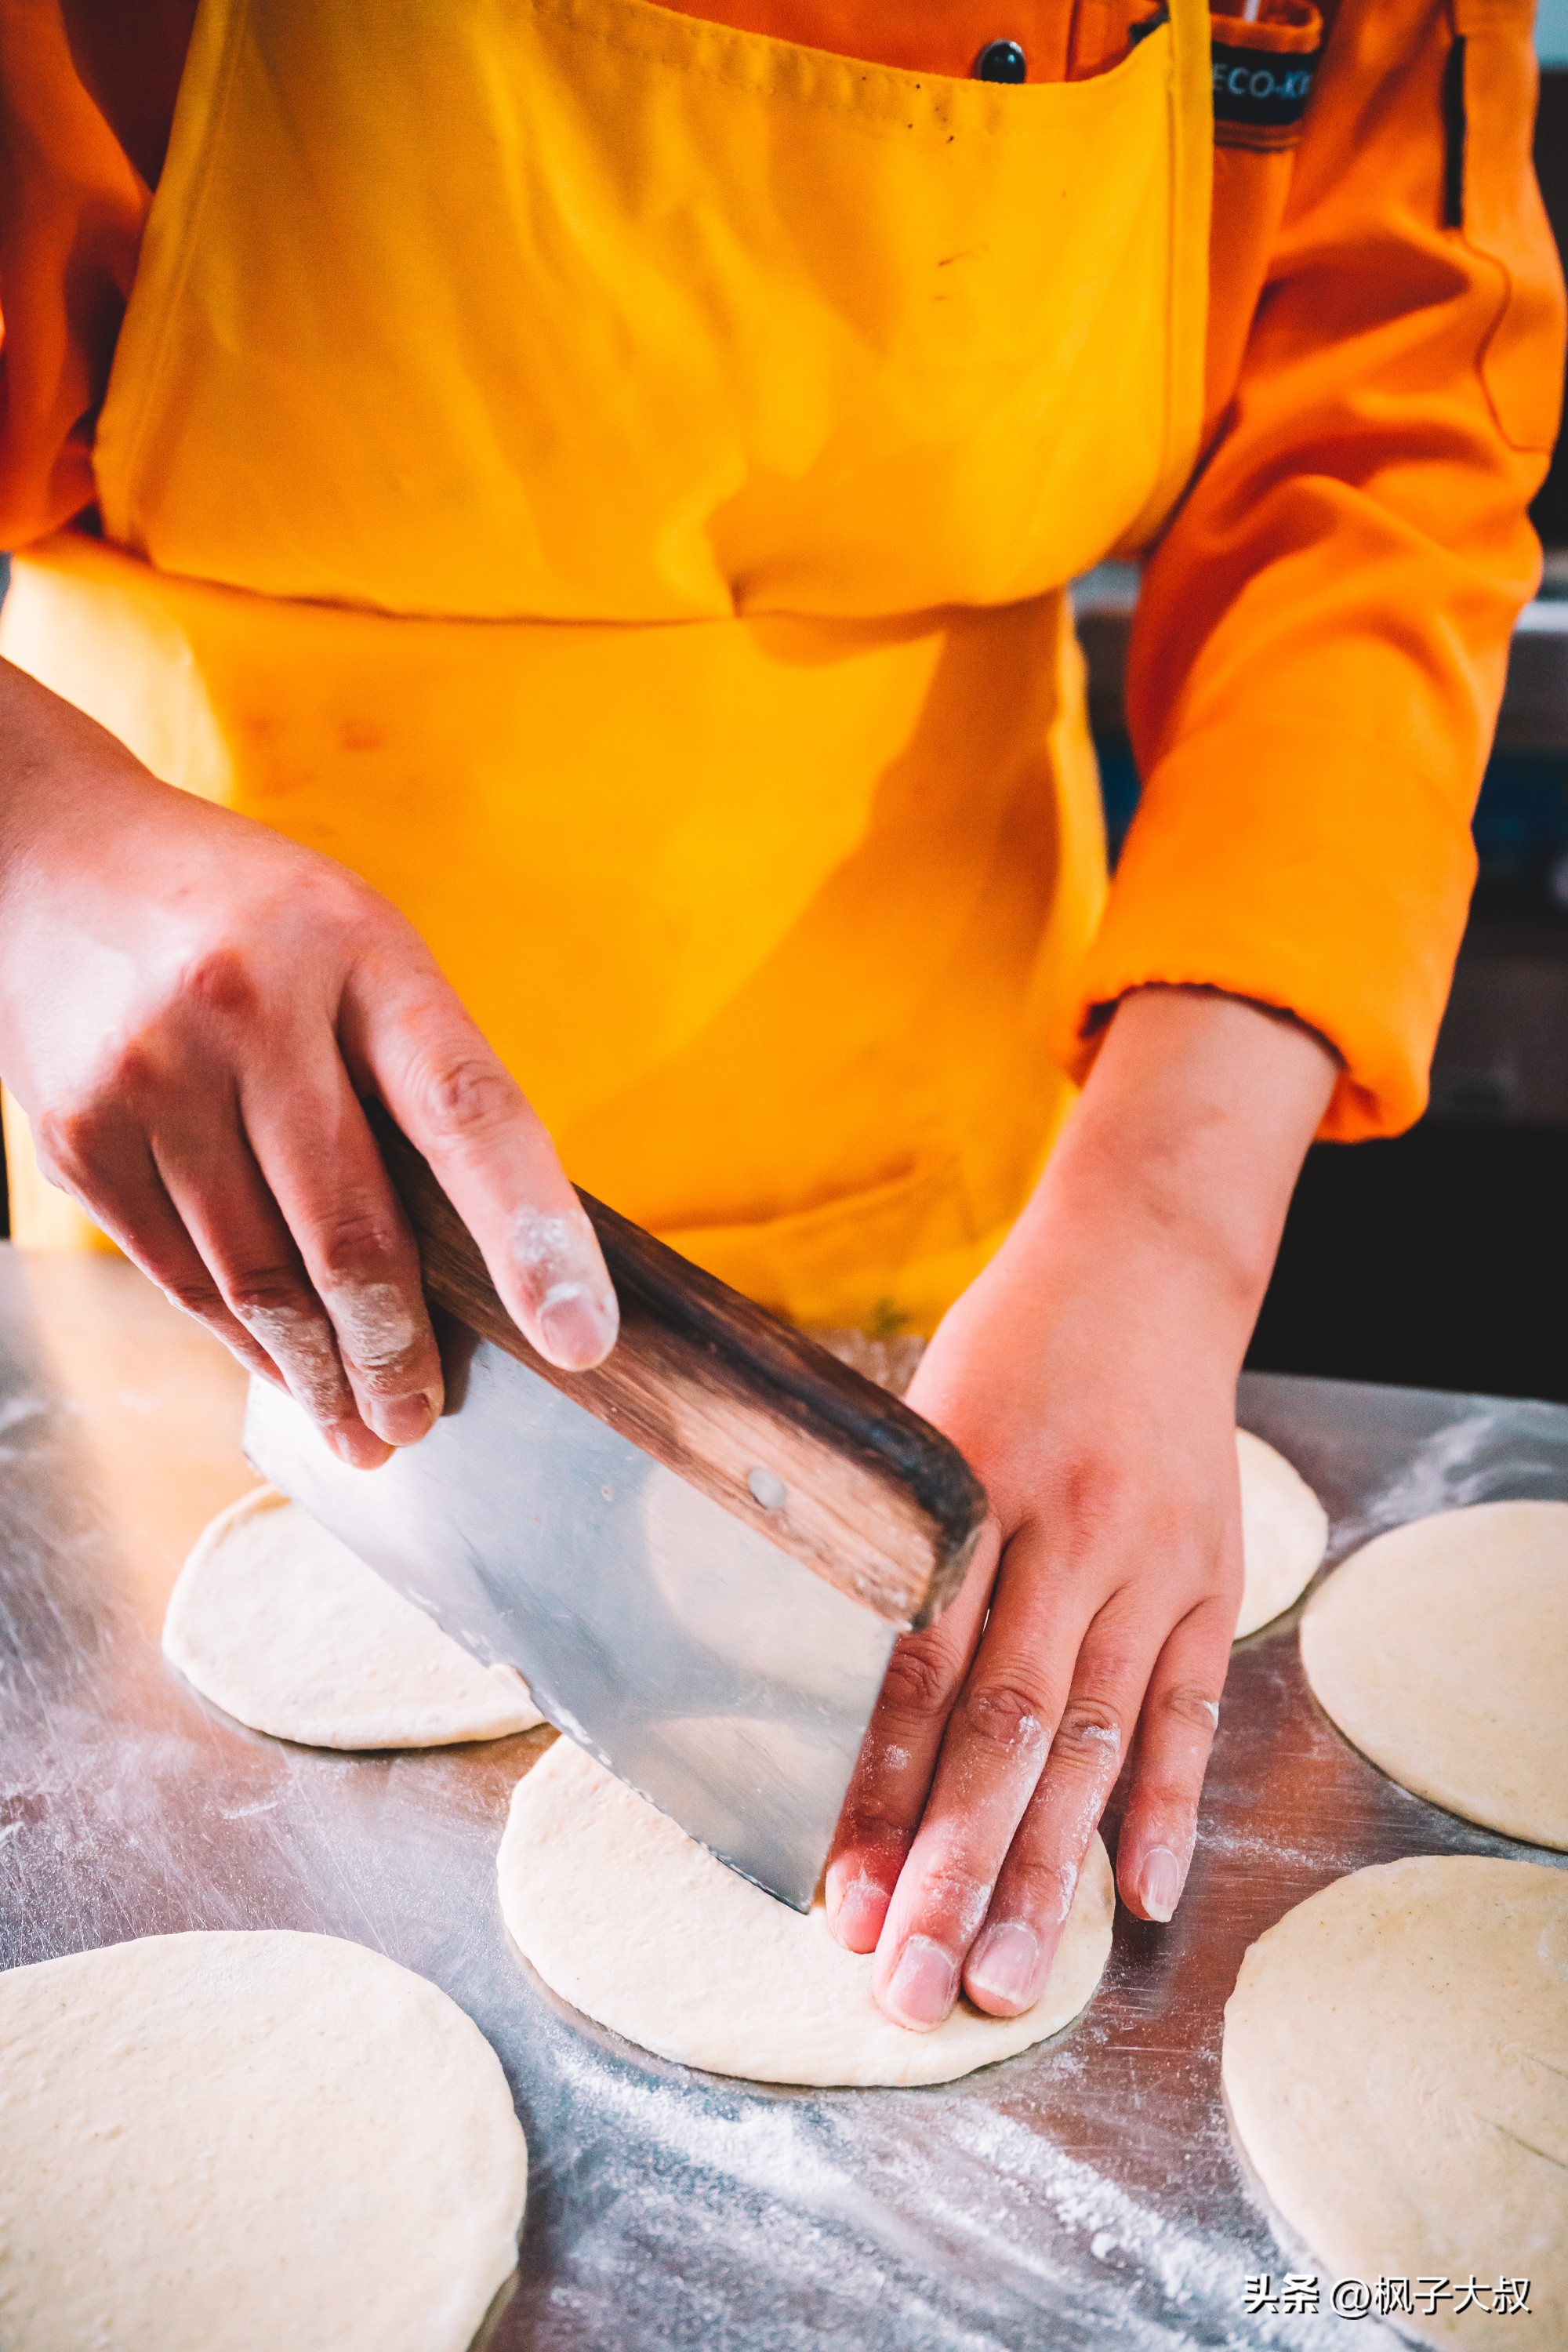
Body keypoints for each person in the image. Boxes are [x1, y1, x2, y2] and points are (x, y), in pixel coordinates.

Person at [0, 0, 1559, 2033]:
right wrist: (42, 844)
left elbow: (1379, 453)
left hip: (990, 1216)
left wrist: (1172, 1221)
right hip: (245, 1199)